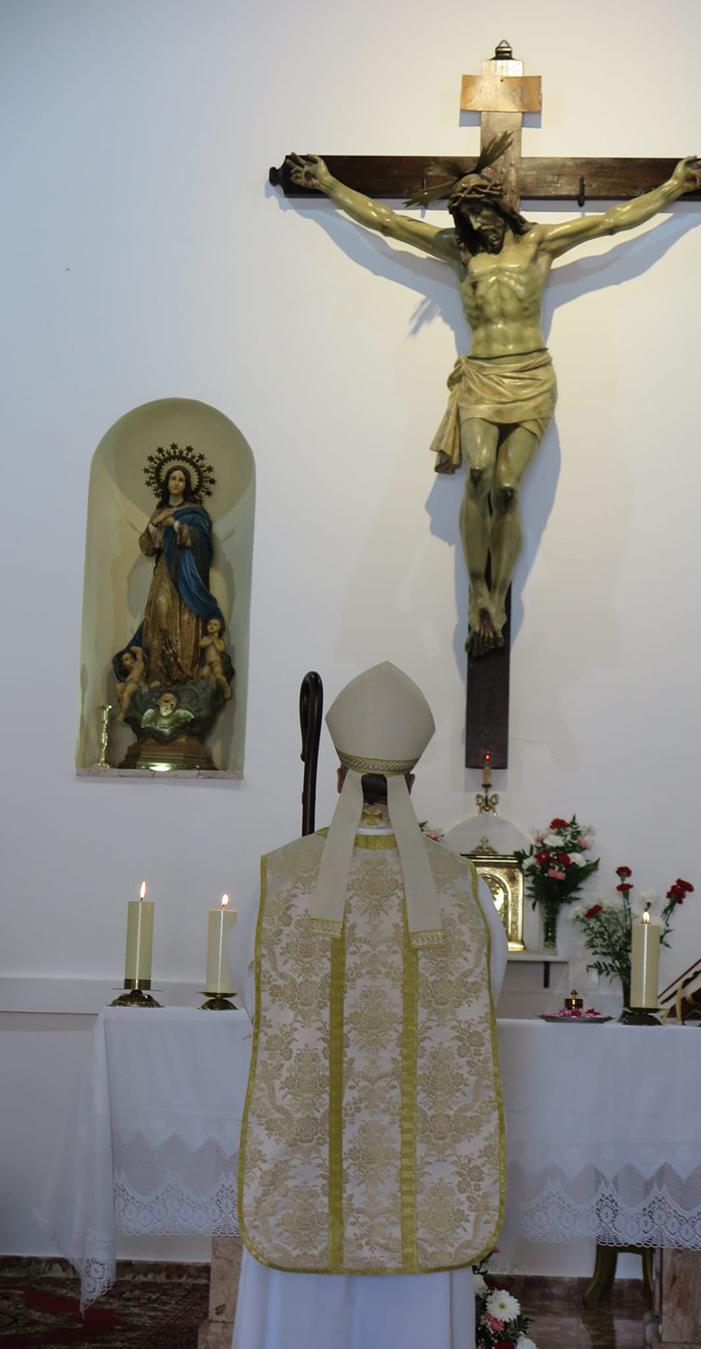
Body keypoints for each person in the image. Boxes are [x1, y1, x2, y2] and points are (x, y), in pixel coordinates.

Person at [287, 151, 701, 654]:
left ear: (501, 207)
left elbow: (611, 223)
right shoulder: (459, 253)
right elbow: (388, 222)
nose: (475, 221)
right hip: (482, 378)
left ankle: (497, 593)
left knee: (508, 488)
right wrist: (328, 184)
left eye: (482, 210)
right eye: (465, 214)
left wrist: (675, 188)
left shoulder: (539, 245)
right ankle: (477, 593)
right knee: (479, 472)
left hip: (532, 375)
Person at [230, 662, 507, 1349]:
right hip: (421, 1159)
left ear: (337, 780)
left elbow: (248, 988)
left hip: (307, 1155)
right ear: (412, 783)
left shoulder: (279, 876)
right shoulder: (462, 887)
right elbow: (486, 994)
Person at [130, 464, 225, 686]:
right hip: (165, 570)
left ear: (187, 485)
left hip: (187, 573)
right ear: (167, 482)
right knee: (161, 612)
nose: (176, 483)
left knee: (186, 617)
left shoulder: (195, 513)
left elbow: (202, 541)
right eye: (173, 478)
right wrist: (154, 524)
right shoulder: (159, 513)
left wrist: (177, 524)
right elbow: (148, 547)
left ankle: (184, 671)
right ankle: (158, 672)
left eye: (181, 480)